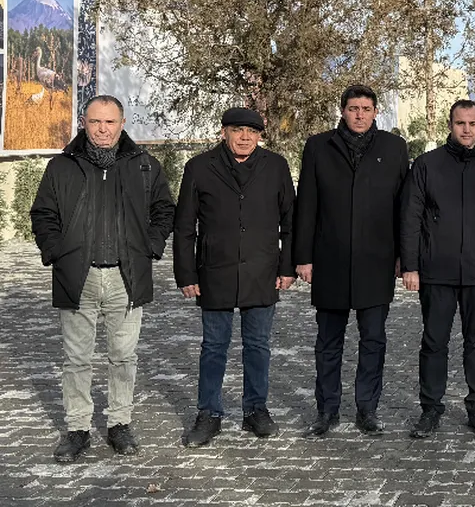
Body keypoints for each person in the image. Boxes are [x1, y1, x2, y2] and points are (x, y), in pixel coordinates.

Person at [31, 95, 175, 462]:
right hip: (78, 274)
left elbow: (164, 210)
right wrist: (57, 252)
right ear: (84, 122)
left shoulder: (144, 165)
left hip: (126, 276)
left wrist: (150, 248)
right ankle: (77, 428)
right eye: (96, 122)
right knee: (76, 358)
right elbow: (43, 214)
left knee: (123, 357)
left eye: (110, 122)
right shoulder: (62, 167)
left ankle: (119, 424)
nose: (102, 129)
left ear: (122, 124)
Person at [173, 107, 296, 447]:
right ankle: (209, 414)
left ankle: (256, 409)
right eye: (238, 130)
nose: (245, 137)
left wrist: (287, 267)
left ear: (260, 136)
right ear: (224, 132)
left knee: (258, 346)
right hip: (215, 272)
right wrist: (186, 273)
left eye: (252, 132)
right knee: (214, 347)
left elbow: (291, 221)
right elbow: (184, 227)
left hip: (262, 271)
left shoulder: (275, 166)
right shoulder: (199, 167)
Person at [294, 85, 409, 436]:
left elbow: (404, 208)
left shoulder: (394, 147)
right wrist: (303, 257)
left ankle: (367, 408)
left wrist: (405, 256)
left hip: (377, 260)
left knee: (373, 339)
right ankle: (326, 410)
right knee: (328, 342)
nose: (360, 114)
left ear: (376, 112)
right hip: (330, 259)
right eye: (353, 108)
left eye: (367, 108)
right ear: (342, 110)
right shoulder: (318, 146)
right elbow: (307, 205)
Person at [400, 99, 475, 437]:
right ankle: (430, 409)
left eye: (472, 123)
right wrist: (410, 265)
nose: (466, 129)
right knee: (434, 342)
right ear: (449, 125)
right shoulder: (426, 165)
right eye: (459, 123)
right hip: (437, 269)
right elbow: (410, 218)